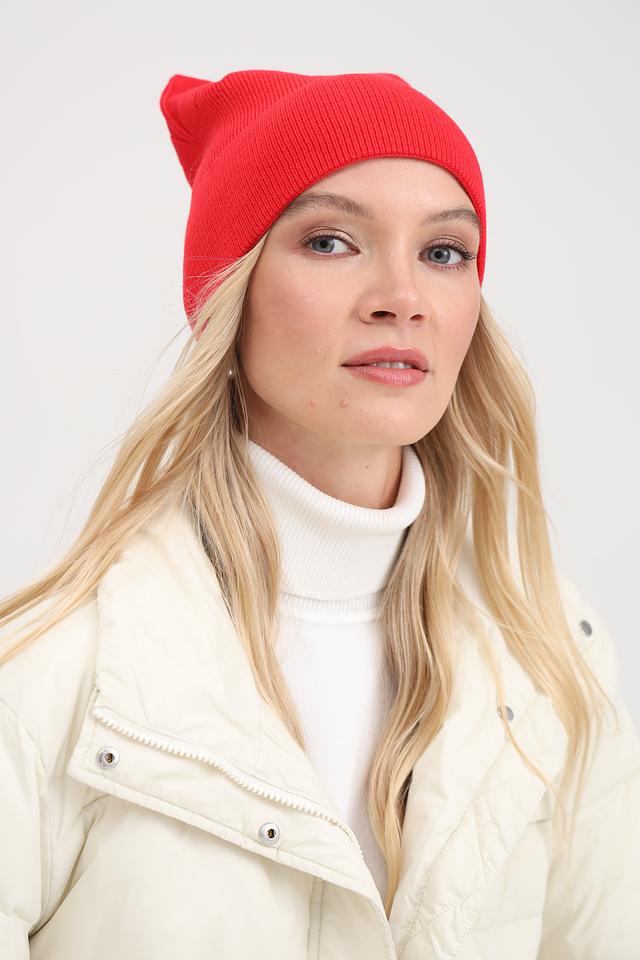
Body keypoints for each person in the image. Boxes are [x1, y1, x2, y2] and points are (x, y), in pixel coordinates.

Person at [0, 68, 638, 960]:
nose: (401, 296)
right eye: (332, 241)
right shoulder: (53, 674)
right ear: (231, 294)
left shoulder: (551, 657)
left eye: (444, 252)